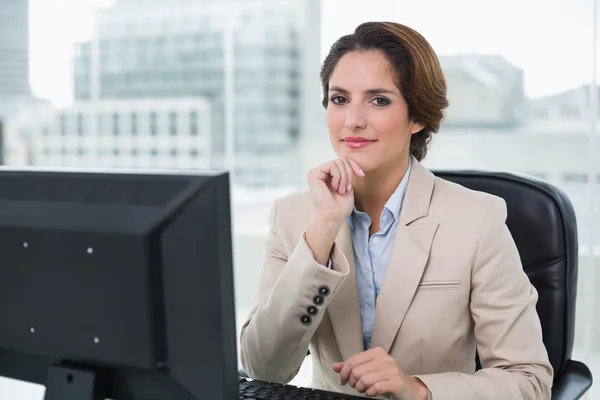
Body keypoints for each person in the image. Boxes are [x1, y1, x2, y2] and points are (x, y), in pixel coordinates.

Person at [239, 21, 553, 400]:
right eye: (339, 99)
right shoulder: (292, 217)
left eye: (379, 100)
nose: (352, 120)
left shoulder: (477, 219)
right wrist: (322, 230)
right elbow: (263, 367)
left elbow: (529, 381)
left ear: (417, 117)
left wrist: (418, 389)